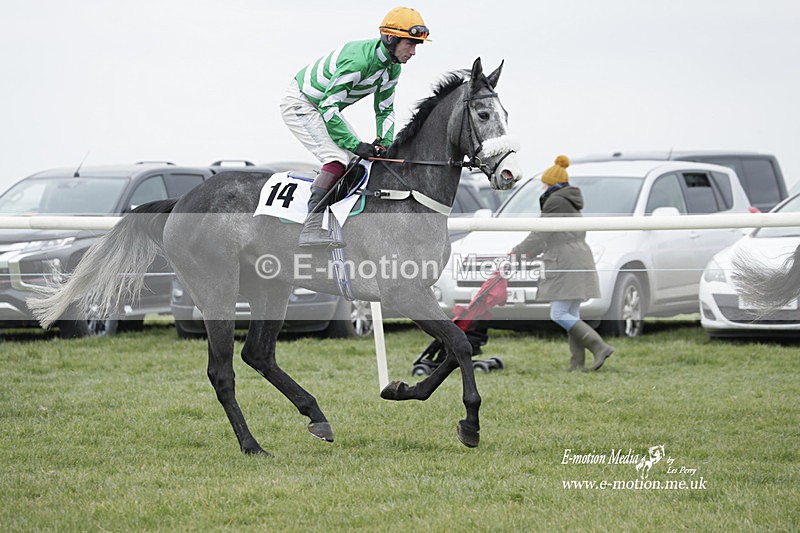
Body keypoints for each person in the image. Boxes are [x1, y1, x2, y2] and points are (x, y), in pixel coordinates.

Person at [280, 6, 430, 247]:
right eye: (409, 44)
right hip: (302, 103)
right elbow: (328, 107)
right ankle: (310, 227)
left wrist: (384, 143)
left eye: (416, 46)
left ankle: (337, 221)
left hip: (324, 107)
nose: (413, 52)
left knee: (359, 164)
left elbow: (385, 109)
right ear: (390, 38)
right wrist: (354, 144)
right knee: (337, 158)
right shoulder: (359, 62)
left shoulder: (393, 68)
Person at [510, 155, 615, 371]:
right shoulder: (567, 199)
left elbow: (541, 232)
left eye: (544, 183)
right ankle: (576, 365)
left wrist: (520, 251)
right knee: (572, 314)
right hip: (576, 256)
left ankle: (599, 347)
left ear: (551, 183)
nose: (541, 187)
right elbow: (552, 233)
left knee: (558, 313)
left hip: (565, 260)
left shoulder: (555, 201)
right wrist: (530, 252)